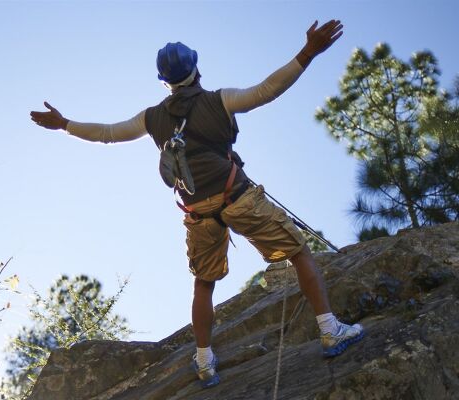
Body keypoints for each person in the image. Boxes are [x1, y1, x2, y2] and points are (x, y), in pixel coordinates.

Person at [30, 19, 364, 389]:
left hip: (197, 213)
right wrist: (308, 53)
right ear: (196, 69)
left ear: (165, 82)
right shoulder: (218, 100)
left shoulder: (152, 118)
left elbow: (108, 134)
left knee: (204, 283)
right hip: (237, 197)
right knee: (299, 252)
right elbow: (268, 90)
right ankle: (330, 330)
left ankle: (205, 361)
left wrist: (65, 125)